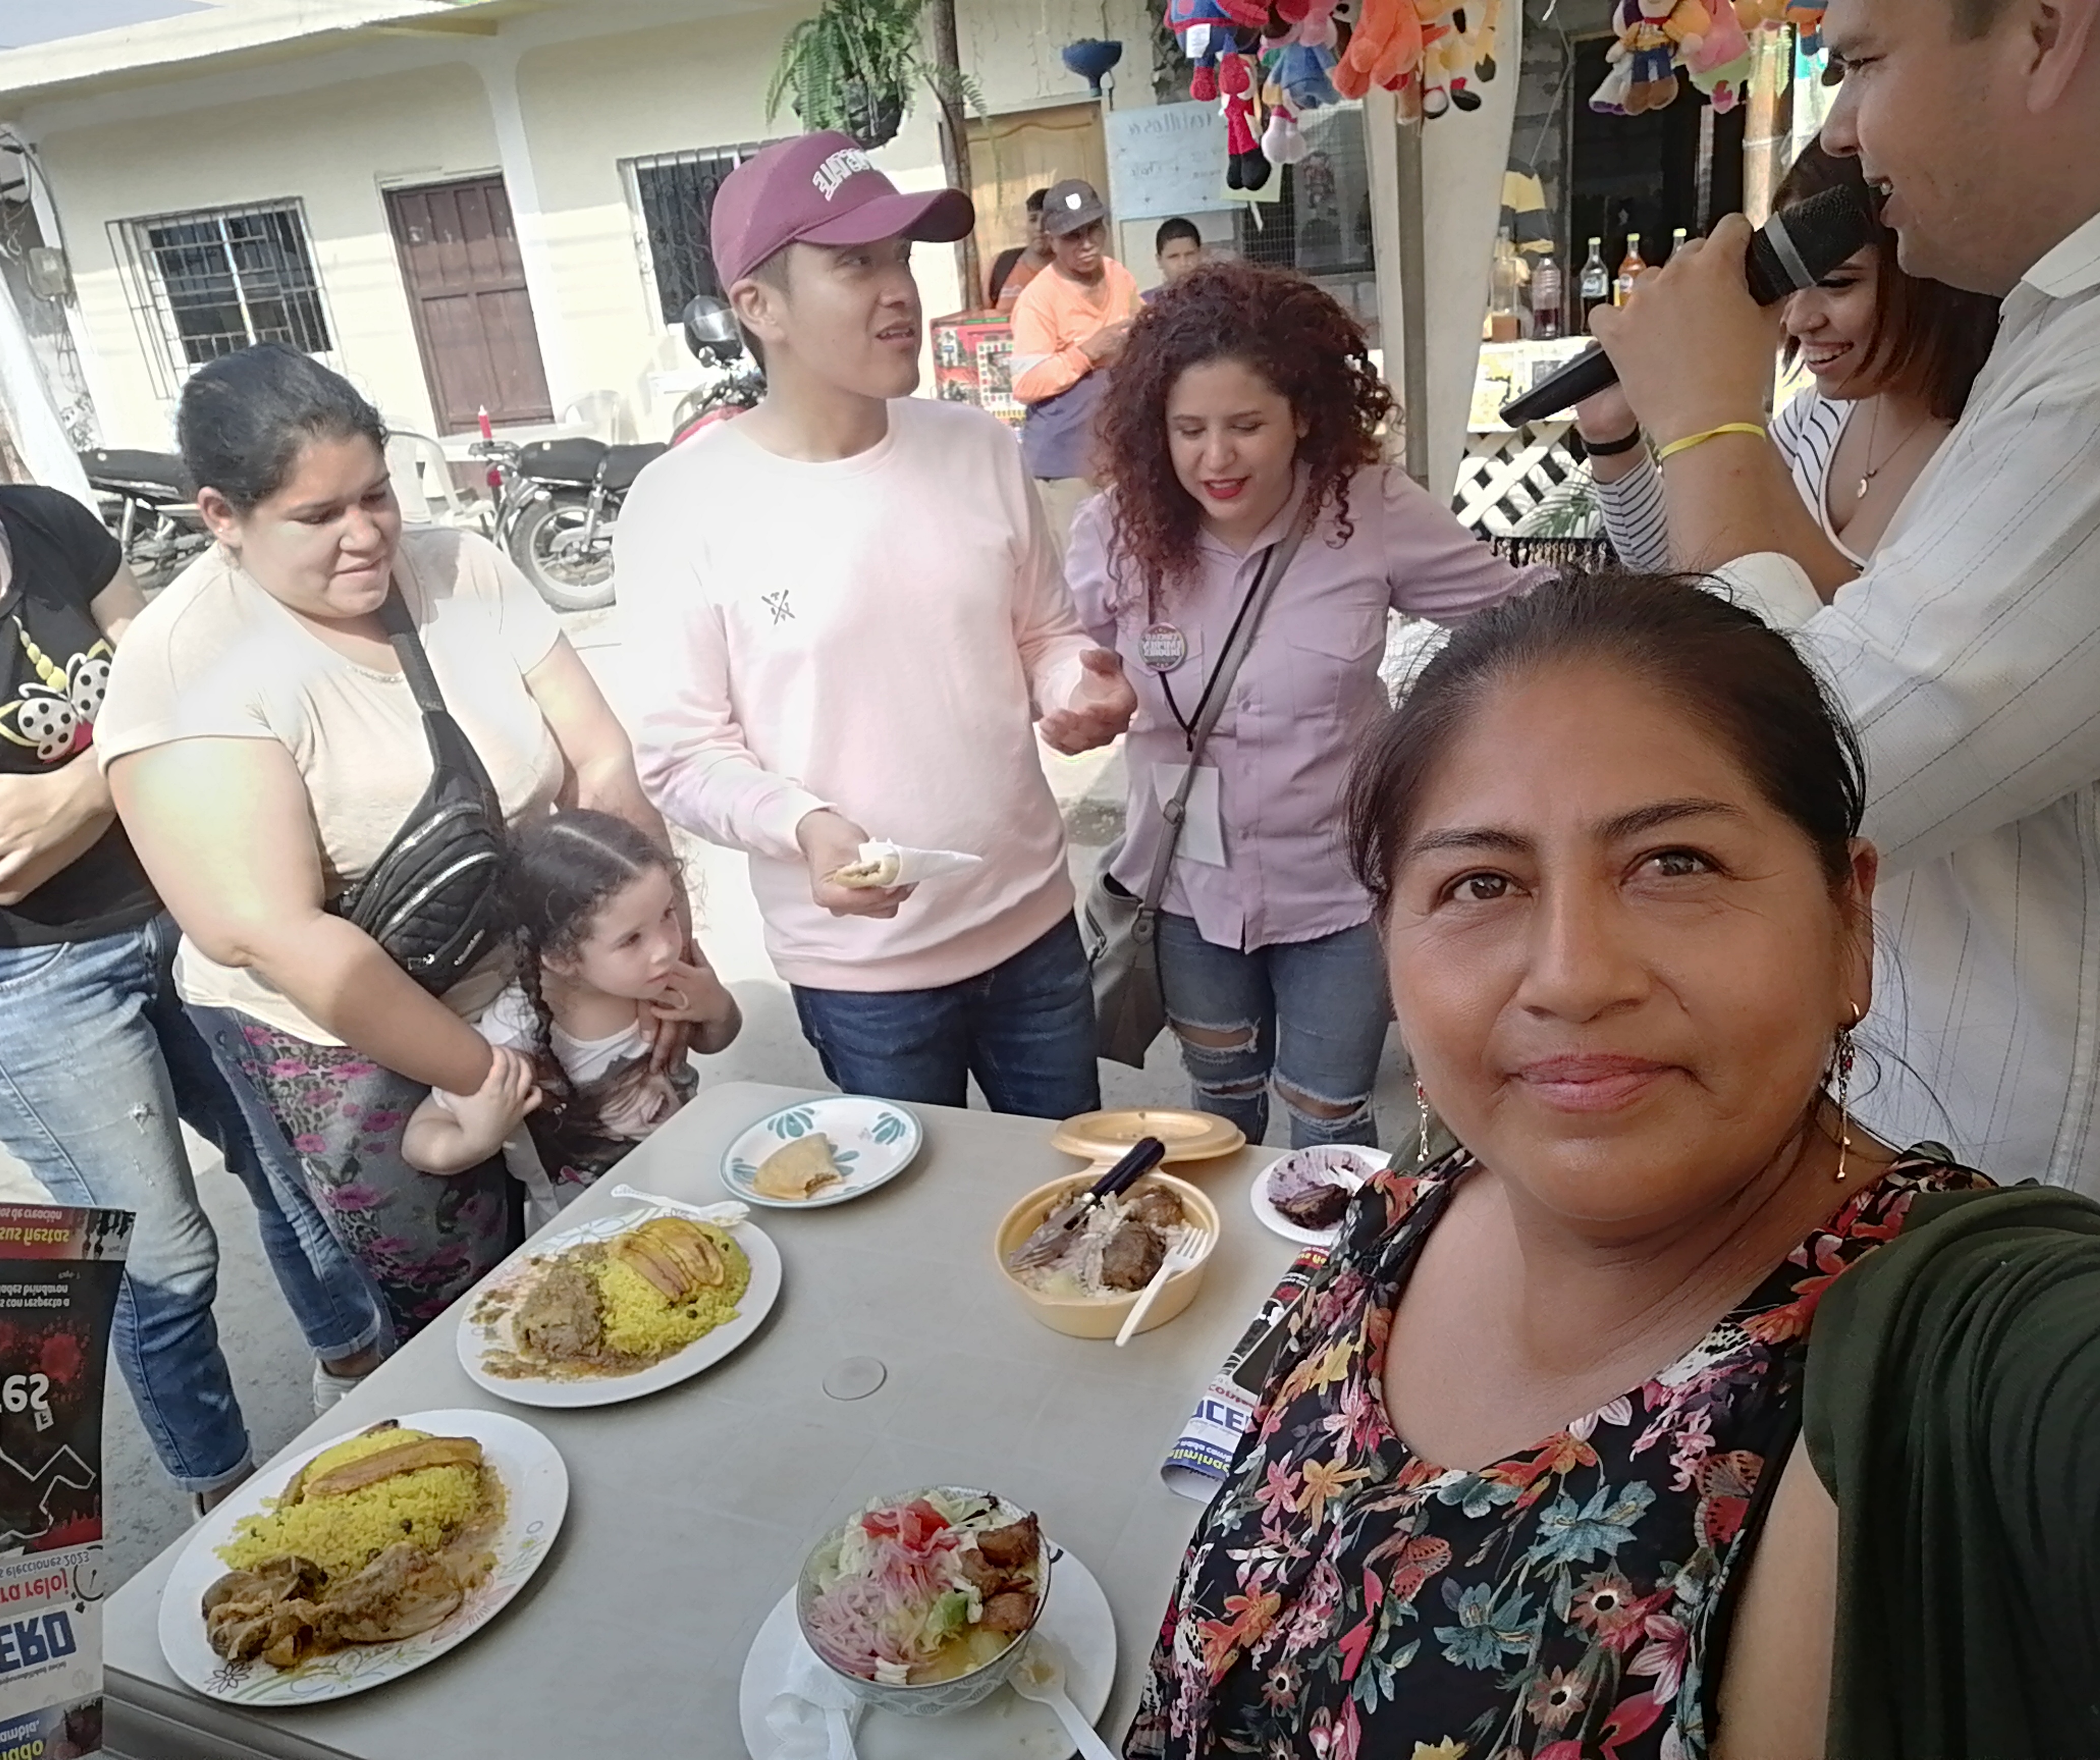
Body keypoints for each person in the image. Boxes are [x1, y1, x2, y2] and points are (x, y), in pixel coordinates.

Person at [1130, 571, 2100, 1760]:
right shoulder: (1400, 1210)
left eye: (1675, 864)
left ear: (1849, 924)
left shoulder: (1977, 1359)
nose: (1572, 975)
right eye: (1481, 884)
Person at [1589, 0, 2100, 1245]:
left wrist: (1711, 418)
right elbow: (1855, 626)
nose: (1843, 125)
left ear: (2044, 33)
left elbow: (1825, 761)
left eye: (1863, 63)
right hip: (1966, 1151)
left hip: (2053, 1212)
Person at [0, 299, 379, 1510]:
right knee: (163, 1254)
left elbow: (198, 681)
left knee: (293, 1168)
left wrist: (70, 790)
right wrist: (134, 756)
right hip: (19, 975)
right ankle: (226, 1496)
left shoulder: (50, 525)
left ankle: (364, 1380)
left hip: (176, 905)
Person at [100, 344, 665, 1343]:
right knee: (475, 1308)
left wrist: (649, 957)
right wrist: (484, 1078)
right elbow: (277, 934)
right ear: (221, 515)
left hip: (531, 962)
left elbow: (599, 757)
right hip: (343, 1030)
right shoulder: (191, 664)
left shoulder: (463, 569)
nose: (365, 535)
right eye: (318, 516)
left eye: (376, 495)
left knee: (639, 1226)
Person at [618, 133, 1135, 1118]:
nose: (898, 290)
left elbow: (1044, 635)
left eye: (899, 257)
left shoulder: (978, 448)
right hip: (862, 971)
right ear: (758, 306)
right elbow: (682, 755)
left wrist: (1078, 686)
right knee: (910, 1205)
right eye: (854, 263)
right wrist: (801, 826)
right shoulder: (679, 505)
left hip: (1032, 927)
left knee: (1075, 1192)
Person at [1067, 260, 1539, 1146]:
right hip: (1188, 892)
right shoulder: (1114, 535)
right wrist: (1077, 695)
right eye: (1189, 430)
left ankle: (1327, 1246)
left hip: (1338, 895)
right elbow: (1065, 659)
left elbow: (1516, 613)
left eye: (1246, 426)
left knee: (1328, 1117)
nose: (1216, 458)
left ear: (1303, 416)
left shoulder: (1369, 509)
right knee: (1219, 1103)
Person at [1580, 140, 1999, 568]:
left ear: (1928, 274)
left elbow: (1850, 612)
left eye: (1836, 284)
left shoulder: (1993, 445)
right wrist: (1609, 434)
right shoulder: (1817, 417)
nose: (1797, 320)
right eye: (1789, 285)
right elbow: (1687, 564)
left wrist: (1715, 415)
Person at [403, 808, 740, 1214]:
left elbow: (715, 1040)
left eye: (667, 914)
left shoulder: (662, 979)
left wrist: (718, 1008)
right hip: (588, 1229)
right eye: (632, 939)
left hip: (700, 1189)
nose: (666, 949)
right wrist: (476, 1140)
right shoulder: (514, 1033)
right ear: (561, 957)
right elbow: (419, 1137)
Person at [1011, 179, 1142, 549]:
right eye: (1072, 236)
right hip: (1065, 465)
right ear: (1051, 240)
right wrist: (1086, 353)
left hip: (1118, 454)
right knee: (1079, 565)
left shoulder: (1118, 275)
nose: (1087, 244)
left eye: (1093, 229)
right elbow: (1026, 384)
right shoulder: (1038, 300)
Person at [986, 187, 1052, 314]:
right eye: (1033, 219)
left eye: (1047, 220)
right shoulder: (1002, 265)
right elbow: (982, 318)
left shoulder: (1075, 271)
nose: (1039, 227)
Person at [1153, 216, 1204, 286]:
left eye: (1190, 254)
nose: (1183, 263)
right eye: (1174, 257)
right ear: (1159, 261)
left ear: (1201, 254)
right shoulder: (1150, 294)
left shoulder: (1217, 291)